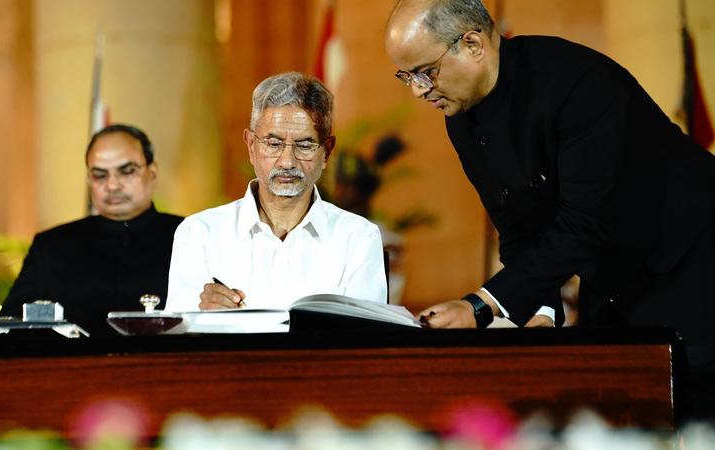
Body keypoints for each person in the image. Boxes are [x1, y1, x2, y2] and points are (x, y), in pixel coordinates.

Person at [385, 0, 715, 421]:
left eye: (425, 72)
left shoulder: (576, 82)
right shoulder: (461, 116)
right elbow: (517, 226)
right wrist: (541, 310)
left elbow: (584, 222)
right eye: (406, 76)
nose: (417, 90)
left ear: (472, 45)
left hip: (690, 259)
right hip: (611, 274)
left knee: (696, 412)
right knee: (612, 413)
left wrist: (481, 305)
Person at [165, 72, 387, 312]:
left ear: (327, 152)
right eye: (273, 143)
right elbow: (176, 338)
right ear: (251, 146)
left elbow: (365, 342)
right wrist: (202, 316)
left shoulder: (358, 238)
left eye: (304, 145)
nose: (287, 162)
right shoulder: (200, 233)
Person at [1, 124, 184, 336]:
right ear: (89, 180)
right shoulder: (52, 247)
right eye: (100, 175)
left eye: (126, 171)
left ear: (152, 173)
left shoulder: (191, 236)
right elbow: (11, 329)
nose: (113, 185)